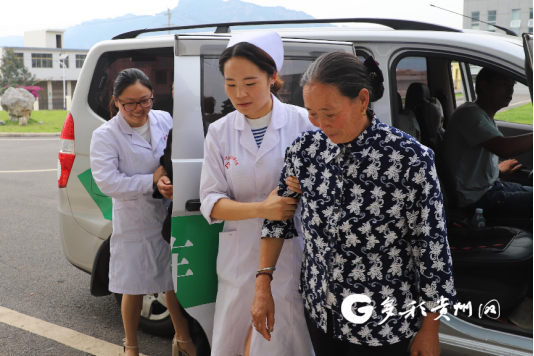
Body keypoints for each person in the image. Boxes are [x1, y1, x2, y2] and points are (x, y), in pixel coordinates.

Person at [251, 52, 457, 356]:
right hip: (321, 313)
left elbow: (430, 248)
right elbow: (278, 219)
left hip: (382, 324)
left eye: (329, 113)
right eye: (311, 113)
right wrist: (262, 285)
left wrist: (430, 328)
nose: (321, 124)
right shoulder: (305, 151)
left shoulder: (409, 159)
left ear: (362, 100)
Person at [198, 31, 316, 356]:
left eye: (250, 83)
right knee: (230, 343)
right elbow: (211, 202)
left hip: (291, 255)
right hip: (239, 259)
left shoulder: (303, 123)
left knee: (283, 344)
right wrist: (261, 208)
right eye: (230, 83)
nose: (240, 93)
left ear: (272, 76)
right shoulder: (220, 132)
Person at [90, 69, 195, 356]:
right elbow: (108, 181)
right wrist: (152, 180)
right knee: (133, 285)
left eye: (145, 100)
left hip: (166, 214)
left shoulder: (163, 119)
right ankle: (131, 346)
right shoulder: (106, 135)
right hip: (134, 218)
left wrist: (167, 181)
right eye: (130, 104)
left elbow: (172, 157)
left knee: (172, 281)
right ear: (116, 102)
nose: (139, 109)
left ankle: (182, 339)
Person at [443, 68, 533, 223]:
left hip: (490, 188)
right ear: (484, 86)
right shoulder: (470, 114)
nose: (510, 90)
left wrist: (496, 172)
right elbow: (503, 148)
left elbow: (471, 164)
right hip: (476, 200)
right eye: (504, 84)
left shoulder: (482, 115)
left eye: (512, 85)